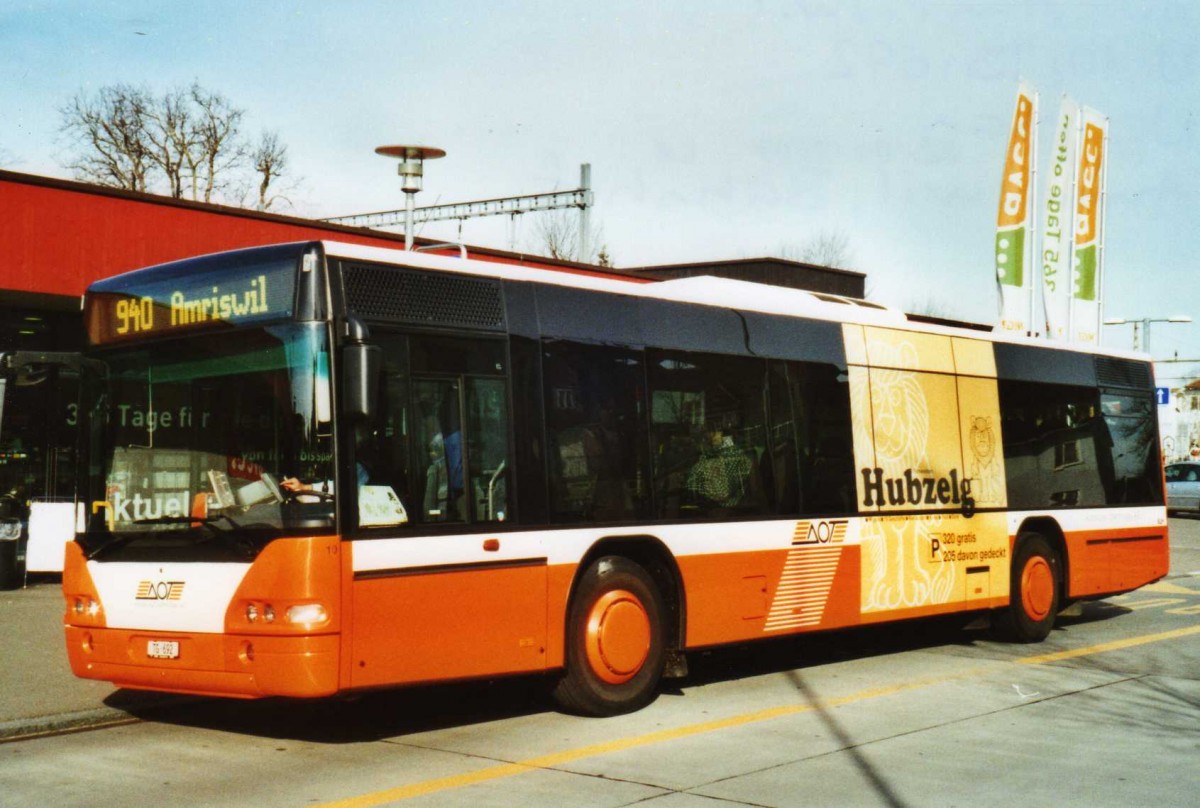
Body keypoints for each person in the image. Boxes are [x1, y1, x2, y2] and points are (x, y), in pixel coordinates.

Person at [686, 424, 753, 510]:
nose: (710, 437)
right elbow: (691, 484)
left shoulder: (732, 456)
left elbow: (721, 492)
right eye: (707, 434)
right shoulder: (709, 456)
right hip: (715, 510)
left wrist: (700, 479)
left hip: (729, 511)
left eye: (716, 432)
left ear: (722, 434)